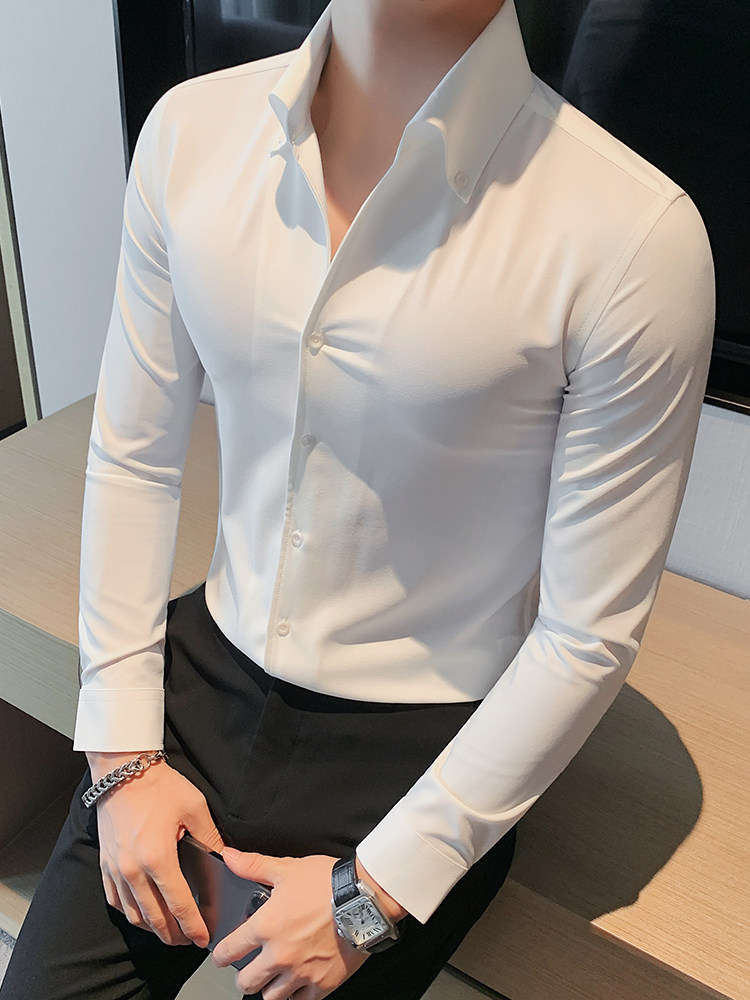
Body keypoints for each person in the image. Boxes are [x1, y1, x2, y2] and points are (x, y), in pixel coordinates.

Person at [0, 0, 715, 998]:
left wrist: (369, 895)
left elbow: (586, 634)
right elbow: (133, 458)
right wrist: (120, 758)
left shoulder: (632, 234)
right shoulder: (190, 134)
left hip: (424, 743)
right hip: (199, 672)